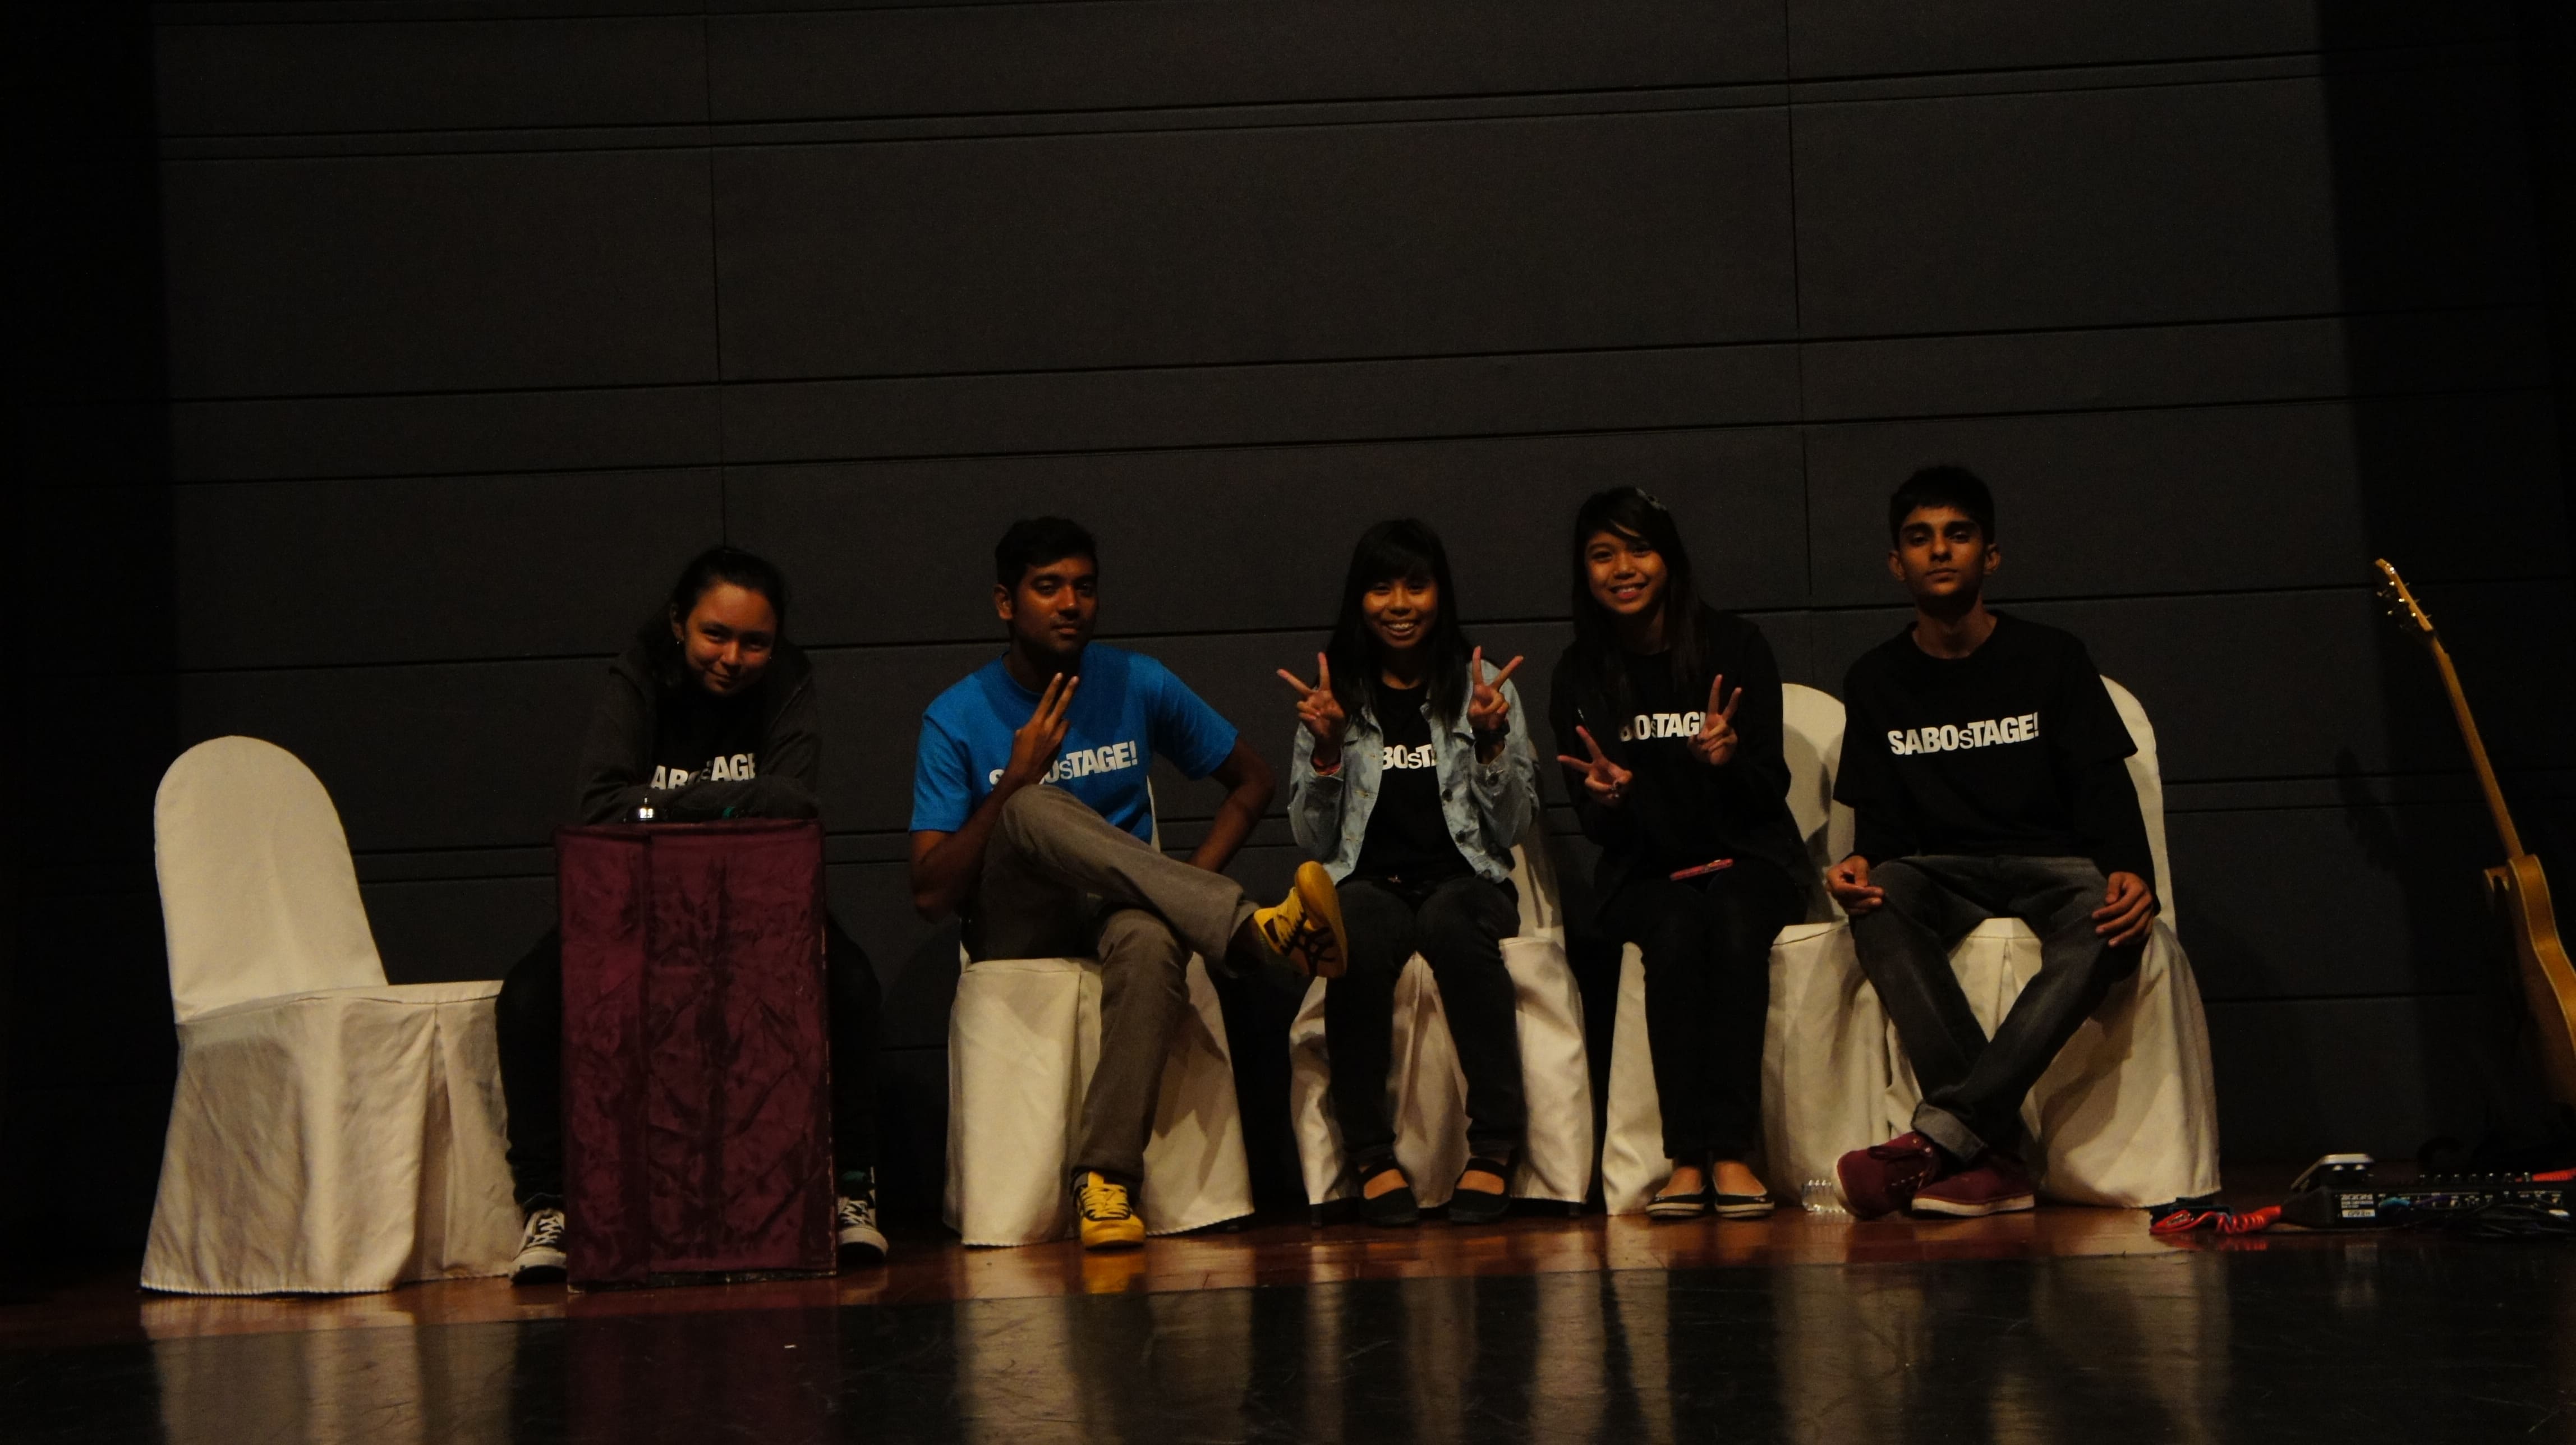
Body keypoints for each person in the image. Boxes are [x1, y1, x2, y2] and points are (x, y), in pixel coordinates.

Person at [909, 517, 1349, 1251]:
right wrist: (1015, 780)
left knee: (1150, 939)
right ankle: (1246, 928)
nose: (1070, 604)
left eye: (1084, 587)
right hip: (1017, 920)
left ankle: (1106, 1180)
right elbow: (929, 894)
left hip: (1116, 909)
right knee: (1030, 806)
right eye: (1047, 588)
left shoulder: (1134, 681)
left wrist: (1178, 891)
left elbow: (1254, 782)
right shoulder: (955, 716)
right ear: (1004, 603)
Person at [493, 546, 889, 1282]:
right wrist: (729, 804)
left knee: (855, 987)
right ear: (680, 624)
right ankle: (550, 1207)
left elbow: (795, 801)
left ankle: (852, 1190)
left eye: (755, 642)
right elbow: (600, 807)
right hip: (636, 904)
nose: (734, 657)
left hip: (759, 901)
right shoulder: (639, 672)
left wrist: (662, 808)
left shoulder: (792, 681)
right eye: (716, 634)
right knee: (527, 1000)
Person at [1826, 466, 2159, 1219]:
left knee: (2105, 922)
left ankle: (1948, 1138)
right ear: (1896, 563)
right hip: (1942, 871)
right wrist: (1857, 868)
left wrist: (2133, 871)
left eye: (1958, 534)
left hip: (2053, 863)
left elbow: (2104, 787)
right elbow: (1878, 829)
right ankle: (1994, 1147)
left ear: (1991, 556)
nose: (1939, 551)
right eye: (1919, 538)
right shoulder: (1875, 678)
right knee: (1879, 901)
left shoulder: (2054, 658)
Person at [1549, 488, 1809, 1221]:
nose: (1623, 569)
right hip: (1646, 873)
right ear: (1585, 571)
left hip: (1749, 861)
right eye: (1603, 555)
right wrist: (1607, 801)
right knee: (1673, 929)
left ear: (1669, 558)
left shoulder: (1737, 648)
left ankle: (1732, 1151)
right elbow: (1600, 834)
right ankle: (1684, 1158)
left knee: (1728, 919)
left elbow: (1772, 788)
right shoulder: (1579, 673)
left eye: (1639, 549)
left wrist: (1730, 760)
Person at [1278, 520, 1540, 1227]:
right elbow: (1310, 838)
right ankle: (1368, 1153)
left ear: (1440, 594)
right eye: (1380, 586)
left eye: (1415, 585)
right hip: (1370, 882)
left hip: (1468, 880)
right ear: (1358, 599)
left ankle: (1492, 1145)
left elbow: (1512, 828)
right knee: (1354, 929)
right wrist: (1327, 752)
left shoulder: (1484, 689)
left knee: (1450, 923)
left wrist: (1489, 740)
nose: (1399, 603)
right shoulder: (1335, 696)